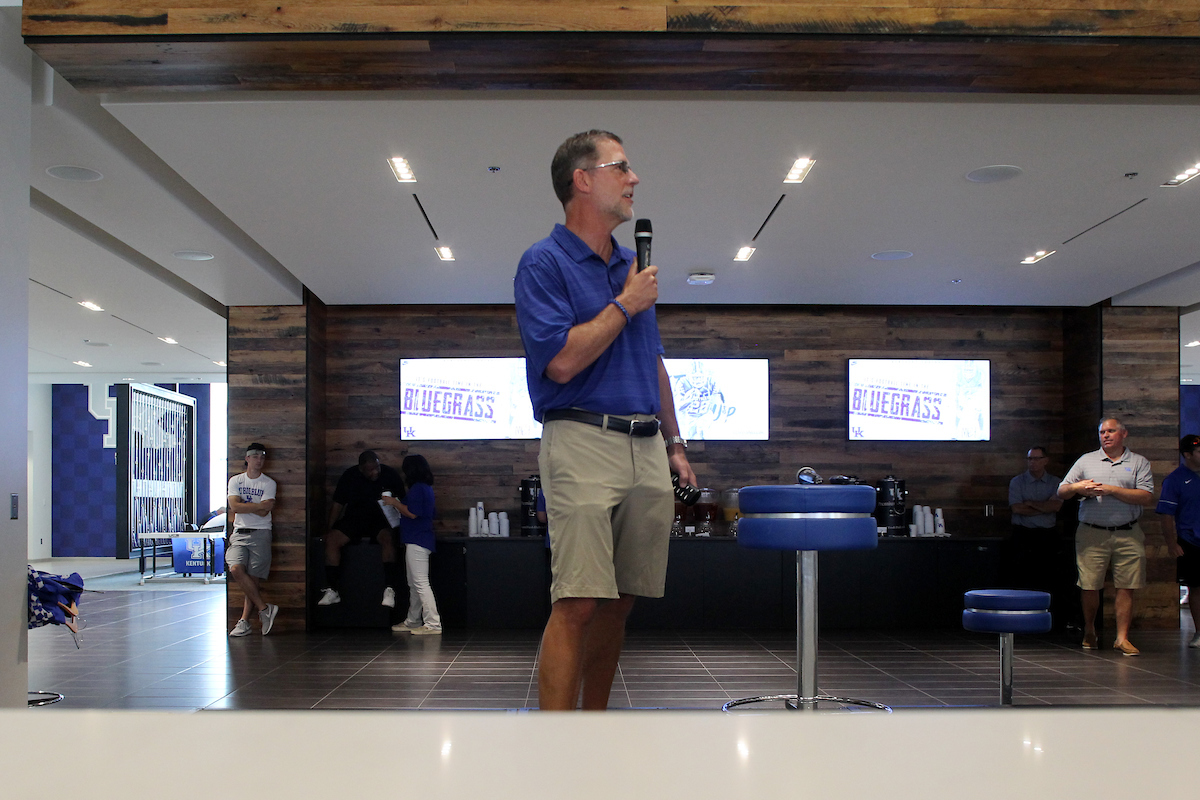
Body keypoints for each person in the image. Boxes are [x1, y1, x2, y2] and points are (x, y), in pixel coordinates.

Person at [514, 129, 696, 710]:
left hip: (646, 445)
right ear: (583, 181)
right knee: (577, 601)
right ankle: (557, 744)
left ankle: (594, 731)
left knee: (621, 600)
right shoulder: (542, 262)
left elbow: (653, 363)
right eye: (621, 167)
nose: (634, 178)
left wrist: (675, 442)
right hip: (582, 438)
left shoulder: (629, 265)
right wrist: (625, 304)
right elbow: (562, 361)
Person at [1057, 418, 1154, 655]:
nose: (1106, 435)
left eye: (1111, 431)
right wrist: (1078, 488)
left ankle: (1122, 638)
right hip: (1092, 532)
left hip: (1128, 532)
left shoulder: (1139, 462)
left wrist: (1111, 490)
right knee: (1089, 585)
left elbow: (1145, 496)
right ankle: (1090, 630)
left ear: (1123, 434)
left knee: (1126, 586)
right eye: (1102, 432)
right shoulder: (1086, 460)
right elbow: (1062, 490)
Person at [317, 450, 405, 608]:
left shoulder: (390, 475)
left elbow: (403, 503)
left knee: (388, 539)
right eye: (371, 469)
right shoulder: (350, 476)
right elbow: (338, 504)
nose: (375, 472)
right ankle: (332, 589)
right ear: (361, 469)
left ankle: (389, 589)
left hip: (381, 520)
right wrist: (329, 528)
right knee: (332, 540)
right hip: (354, 519)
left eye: (377, 467)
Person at [226, 443, 279, 637]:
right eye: (255, 456)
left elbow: (266, 510)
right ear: (247, 458)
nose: (259, 460)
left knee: (253, 579)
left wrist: (245, 505)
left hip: (261, 532)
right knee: (236, 568)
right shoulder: (236, 480)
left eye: (262, 457)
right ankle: (265, 609)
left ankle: (244, 621)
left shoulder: (268, 483)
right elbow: (234, 506)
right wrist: (256, 506)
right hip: (240, 532)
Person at [384, 455, 441, 635]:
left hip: (417, 539)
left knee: (420, 583)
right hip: (420, 539)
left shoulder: (417, 489)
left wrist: (394, 503)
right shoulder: (426, 488)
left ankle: (433, 623)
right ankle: (413, 620)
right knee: (414, 583)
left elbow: (413, 513)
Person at [1154, 434, 1200, 648]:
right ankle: (1199, 633)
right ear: (1187, 455)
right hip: (1191, 540)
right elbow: (1166, 514)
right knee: (1196, 588)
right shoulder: (1175, 480)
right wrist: (1172, 544)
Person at [1006, 446, 1063, 594]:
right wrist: (1044, 506)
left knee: (1047, 578)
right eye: (1030, 459)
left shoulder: (1055, 482)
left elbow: (1056, 507)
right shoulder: (1017, 482)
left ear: (1046, 461)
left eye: (1037, 458)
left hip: (1047, 537)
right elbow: (1017, 509)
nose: (1033, 462)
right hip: (1022, 535)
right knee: (1020, 578)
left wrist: (1030, 503)